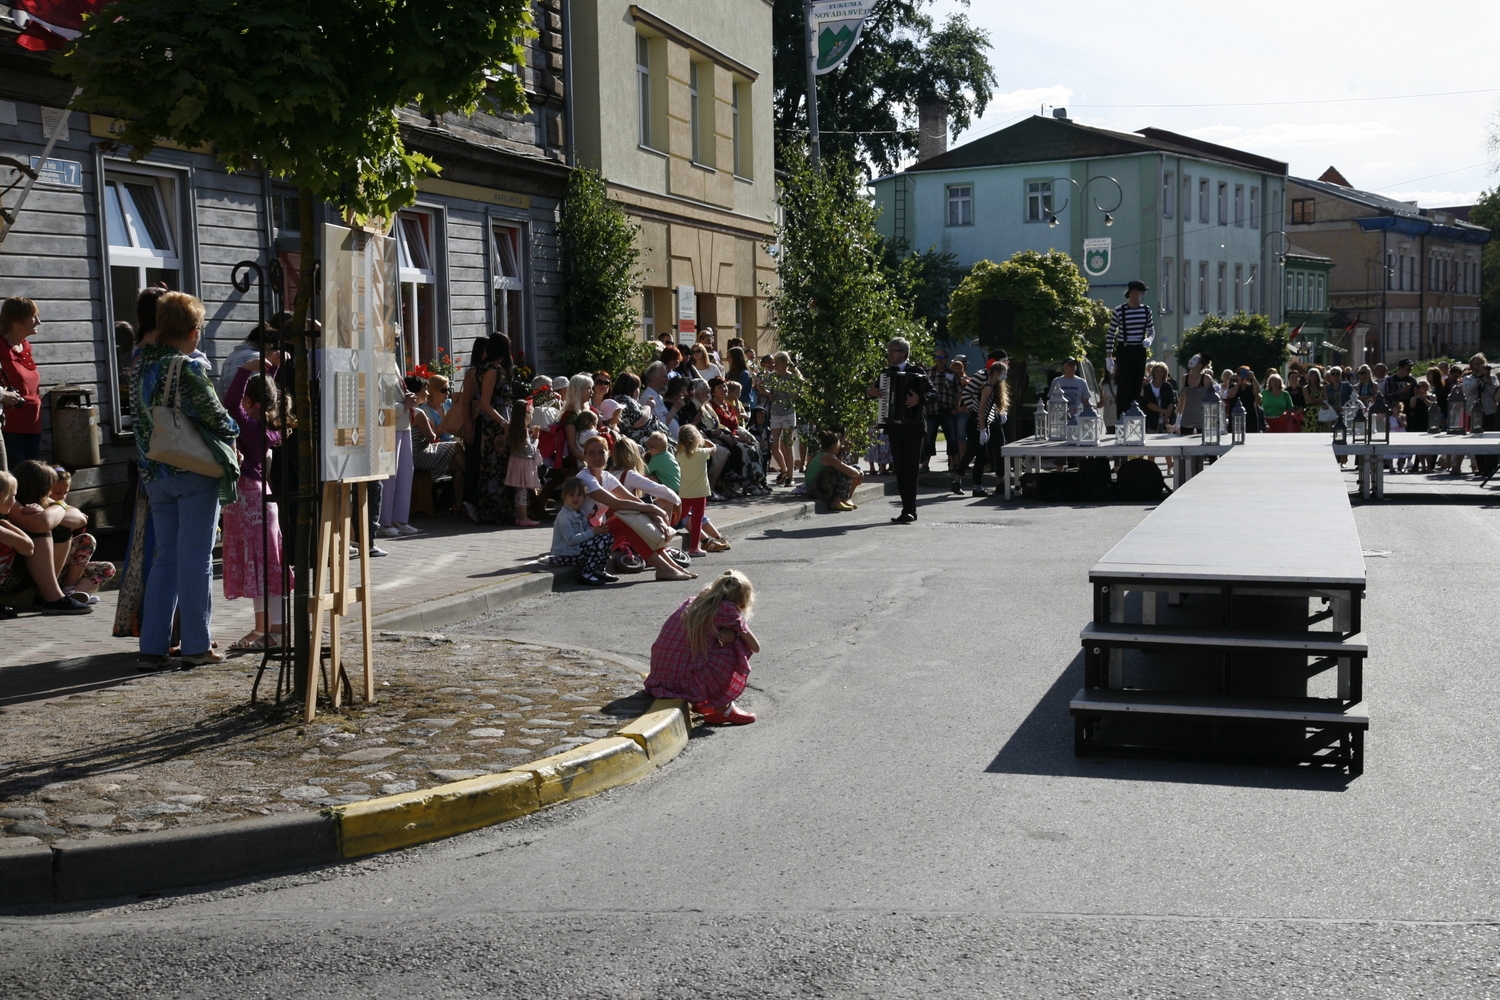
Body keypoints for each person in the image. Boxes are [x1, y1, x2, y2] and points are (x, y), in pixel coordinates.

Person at [133, 292, 240, 669]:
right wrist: (234, 428)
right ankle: (196, 645)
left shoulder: (141, 364)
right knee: (196, 559)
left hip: (154, 471)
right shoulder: (186, 367)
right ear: (194, 330)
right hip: (192, 471)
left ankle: (152, 646)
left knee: (166, 559)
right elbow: (217, 417)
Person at [221, 353, 293, 651]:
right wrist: (271, 368)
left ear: (251, 403)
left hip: (250, 501)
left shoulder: (249, 427)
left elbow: (230, 405)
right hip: (260, 498)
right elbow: (262, 394)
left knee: (263, 568)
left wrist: (242, 370)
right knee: (263, 568)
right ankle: (265, 628)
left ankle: (274, 630)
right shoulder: (266, 426)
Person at [646, 569, 760, 726]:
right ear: (742, 602)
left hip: (661, 678)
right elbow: (755, 646)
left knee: (708, 645)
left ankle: (705, 701)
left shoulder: (692, 602)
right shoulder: (727, 610)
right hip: (683, 682)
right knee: (736, 645)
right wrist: (734, 633)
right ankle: (723, 709)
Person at [577, 435, 694, 583]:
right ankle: (665, 568)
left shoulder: (607, 476)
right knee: (625, 521)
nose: (597, 456)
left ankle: (671, 567)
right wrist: (654, 509)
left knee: (630, 517)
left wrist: (654, 514)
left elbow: (633, 500)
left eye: (601, 452)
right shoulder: (585, 478)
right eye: (592, 453)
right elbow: (618, 503)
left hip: (599, 538)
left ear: (609, 454)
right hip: (579, 542)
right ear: (585, 456)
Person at [866, 337, 936, 523]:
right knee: (900, 469)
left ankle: (909, 510)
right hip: (894, 427)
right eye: (889, 350)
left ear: (903, 353)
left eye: (893, 350)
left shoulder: (917, 372)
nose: (890, 353)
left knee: (911, 469)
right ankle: (906, 509)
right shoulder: (885, 373)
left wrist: (918, 400)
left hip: (914, 428)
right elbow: (873, 392)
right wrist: (869, 393)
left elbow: (933, 394)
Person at [474, 333, 516, 525]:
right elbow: (485, 403)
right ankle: (494, 510)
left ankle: (506, 508)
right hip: (495, 424)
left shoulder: (498, 368)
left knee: (504, 465)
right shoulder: (491, 369)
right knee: (495, 466)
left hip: (503, 420)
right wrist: (503, 423)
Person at [378, 371, 424, 538]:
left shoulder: (393, 365)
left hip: (403, 425)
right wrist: (403, 405)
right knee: (389, 476)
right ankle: (385, 521)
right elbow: (383, 406)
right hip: (390, 427)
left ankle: (399, 519)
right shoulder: (381, 366)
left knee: (404, 473)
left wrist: (407, 400)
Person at [410, 375, 464, 513]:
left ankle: (459, 503)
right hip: (422, 454)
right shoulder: (420, 412)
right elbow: (431, 437)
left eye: (449, 390)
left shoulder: (407, 411)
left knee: (457, 468)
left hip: (419, 453)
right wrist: (445, 425)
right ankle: (473, 479)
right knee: (457, 448)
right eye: (444, 390)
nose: (448, 393)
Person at [0, 297, 44, 464]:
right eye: (33, 316)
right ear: (16, 321)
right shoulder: (1, 348)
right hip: (9, 429)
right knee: (16, 482)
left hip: (33, 426)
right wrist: (3, 394)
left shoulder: (24, 348)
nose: (38, 322)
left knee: (32, 481)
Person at [548, 477, 615, 585]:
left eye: (579, 495)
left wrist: (599, 530)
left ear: (584, 497)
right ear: (564, 497)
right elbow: (570, 540)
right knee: (601, 541)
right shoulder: (564, 516)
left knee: (608, 537)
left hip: (576, 551)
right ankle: (586, 574)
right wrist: (593, 533)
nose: (575, 498)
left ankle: (598, 570)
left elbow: (585, 532)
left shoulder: (581, 512)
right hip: (566, 555)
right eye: (571, 495)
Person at [1105, 280, 1154, 417]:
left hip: (1139, 350)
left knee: (1137, 384)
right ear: (1133, 293)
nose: (1143, 295)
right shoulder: (1120, 310)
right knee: (1124, 385)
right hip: (1124, 350)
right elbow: (1111, 334)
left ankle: (1135, 414)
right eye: (1141, 292)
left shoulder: (1146, 310)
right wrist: (1108, 357)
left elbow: (1151, 330)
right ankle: (1122, 416)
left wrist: (1149, 339)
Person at [759, 352, 804, 486]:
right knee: (774, 446)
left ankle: (790, 477)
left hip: (788, 414)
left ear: (785, 364)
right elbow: (759, 385)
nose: (774, 366)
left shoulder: (791, 377)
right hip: (775, 414)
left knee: (787, 445)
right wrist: (768, 394)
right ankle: (784, 471)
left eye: (777, 363)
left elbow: (801, 385)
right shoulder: (772, 377)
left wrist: (794, 396)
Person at [676, 424, 715, 557]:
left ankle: (664, 533)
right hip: (700, 493)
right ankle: (694, 548)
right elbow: (714, 448)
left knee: (680, 516)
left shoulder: (680, 454)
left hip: (685, 492)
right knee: (697, 521)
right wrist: (704, 440)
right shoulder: (702, 453)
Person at [504, 397, 542, 527]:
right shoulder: (523, 432)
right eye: (530, 413)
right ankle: (524, 517)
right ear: (525, 415)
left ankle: (519, 517)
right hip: (524, 465)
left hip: (515, 463)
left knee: (518, 492)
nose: (531, 417)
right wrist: (536, 439)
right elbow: (529, 451)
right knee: (523, 492)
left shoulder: (512, 429)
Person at [805, 429, 863, 512]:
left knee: (855, 467)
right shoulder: (827, 457)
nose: (840, 446)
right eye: (839, 444)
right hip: (815, 490)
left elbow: (841, 463)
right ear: (833, 445)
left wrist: (842, 452)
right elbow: (847, 470)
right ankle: (836, 502)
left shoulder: (826, 455)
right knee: (845, 472)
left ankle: (845, 499)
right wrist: (859, 474)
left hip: (819, 486)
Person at [215, 322, 273, 396]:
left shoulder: (233, 355)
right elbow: (258, 386)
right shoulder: (256, 357)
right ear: (266, 344)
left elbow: (222, 384)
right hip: (244, 402)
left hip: (226, 400)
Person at [1175, 354, 1214, 435]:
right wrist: (1179, 416)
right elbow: (1184, 397)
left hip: (1202, 416)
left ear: (1200, 365)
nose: (1191, 361)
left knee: (1202, 441)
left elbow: (1212, 398)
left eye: (1195, 359)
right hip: (1187, 416)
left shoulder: (1206, 378)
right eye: (1191, 358)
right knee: (1184, 440)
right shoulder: (1184, 378)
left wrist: (1212, 417)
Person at [1142, 362, 1177, 433]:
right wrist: (1163, 411)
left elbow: (1171, 401)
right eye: (1157, 371)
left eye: (1161, 372)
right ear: (1153, 372)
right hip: (1152, 421)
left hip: (1166, 422)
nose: (1159, 373)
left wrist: (1167, 413)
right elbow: (1148, 403)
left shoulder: (1167, 386)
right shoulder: (1147, 387)